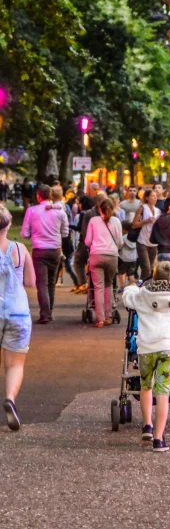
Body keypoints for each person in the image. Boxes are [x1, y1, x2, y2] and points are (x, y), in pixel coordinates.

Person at [122, 261, 170, 451]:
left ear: (154, 277)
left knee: (146, 386)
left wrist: (134, 285)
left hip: (146, 348)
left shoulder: (142, 296)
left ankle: (147, 425)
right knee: (162, 392)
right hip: (168, 349)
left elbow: (127, 296)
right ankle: (158, 439)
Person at [0, 204, 35, 430]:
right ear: (9, 224)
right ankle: (10, 399)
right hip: (18, 313)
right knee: (14, 365)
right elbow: (31, 282)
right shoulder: (20, 250)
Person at [21, 184, 69, 324]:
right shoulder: (60, 212)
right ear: (51, 195)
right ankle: (49, 311)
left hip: (39, 249)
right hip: (55, 250)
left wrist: (34, 233)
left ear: (38, 195)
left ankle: (45, 314)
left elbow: (25, 233)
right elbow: (65, 233)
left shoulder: (31, 211)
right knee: (51, 283)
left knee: (41, 283)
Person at [85, 197, 123, 328]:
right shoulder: (116, 221)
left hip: (96, 255)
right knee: (108, 285)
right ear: (113, 209)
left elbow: (87, 241)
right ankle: (108, 316)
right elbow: (120, 242)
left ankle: (99, 319)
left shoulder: (93, 221)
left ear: (99, 209)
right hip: (112, 256)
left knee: (98, 287)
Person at [132, 188, 160, 281]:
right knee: (146, 267)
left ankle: (146, 284)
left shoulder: (158, 211)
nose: (155, 198)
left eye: (156, 196)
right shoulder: (142, 208)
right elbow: (134, 225)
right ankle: (142, 286)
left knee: (151, 267)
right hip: (142, 241)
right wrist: (146, 221)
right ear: (147, 198)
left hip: (153, 242)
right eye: (152, 196)